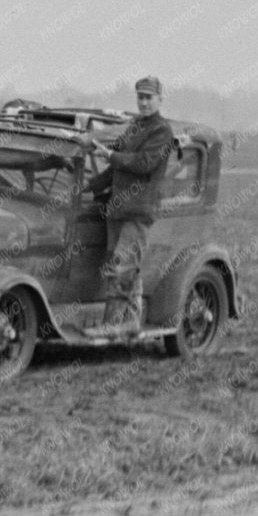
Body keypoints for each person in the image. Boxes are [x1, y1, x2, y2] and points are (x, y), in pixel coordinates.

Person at [97, 76, 176, 332]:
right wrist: (86, 187)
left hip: (139, 211)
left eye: (148, 97)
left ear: (160, 100)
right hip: (118, 209)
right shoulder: (134, 127)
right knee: (122, 266)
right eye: (140, 97)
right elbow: (114, 168)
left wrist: (111, 155)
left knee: (122, 267)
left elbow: (143, 163)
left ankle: (113, 327)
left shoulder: (162, 131)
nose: (143, 102)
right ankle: (130, 322)